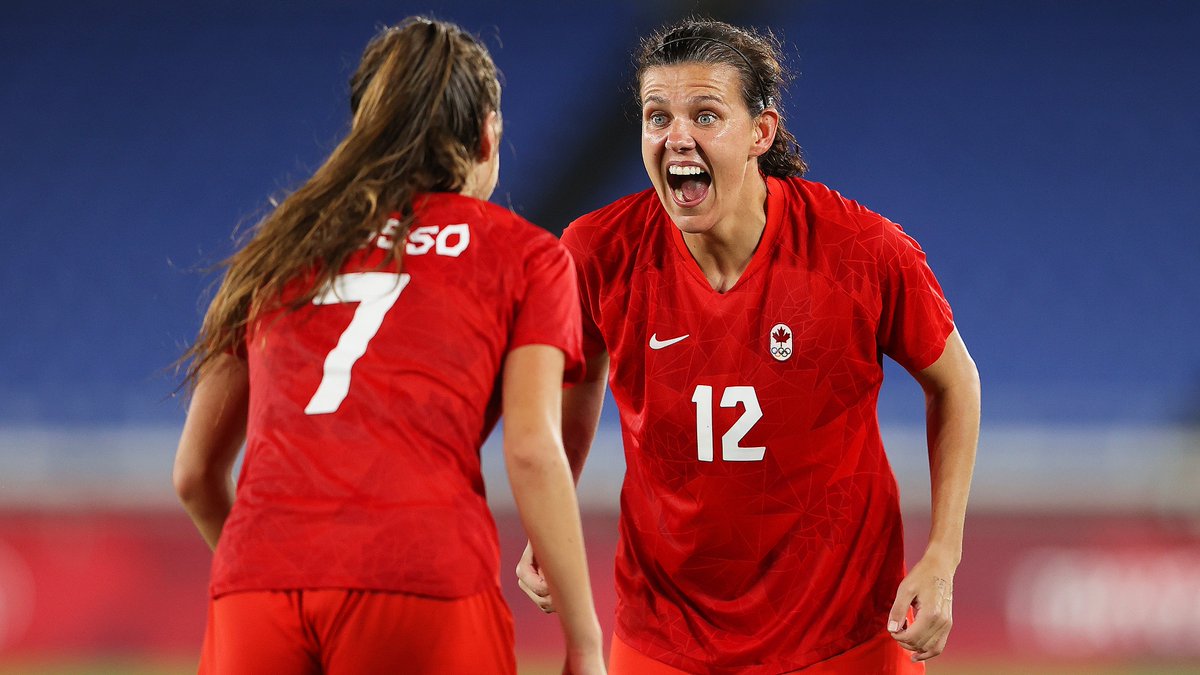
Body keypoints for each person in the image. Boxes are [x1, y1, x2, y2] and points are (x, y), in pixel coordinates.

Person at [516, 18, 980, 674]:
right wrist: (549, 510)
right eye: (657, 116)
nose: (678, 136)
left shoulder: (860, 251)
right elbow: (579, 373)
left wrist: (943, 556)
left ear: (760, 132)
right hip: (665, 632)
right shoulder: (597, 251)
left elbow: (955, 382)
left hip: (843, 632)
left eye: (706, 115)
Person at [172, 17, 604, 675]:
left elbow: (195, 475)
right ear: (488, 136)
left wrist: (269, 566)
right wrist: (585, 642)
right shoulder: (525, 255)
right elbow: (532, 448)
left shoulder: (279, 248)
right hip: (419, 574)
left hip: (256, 583)